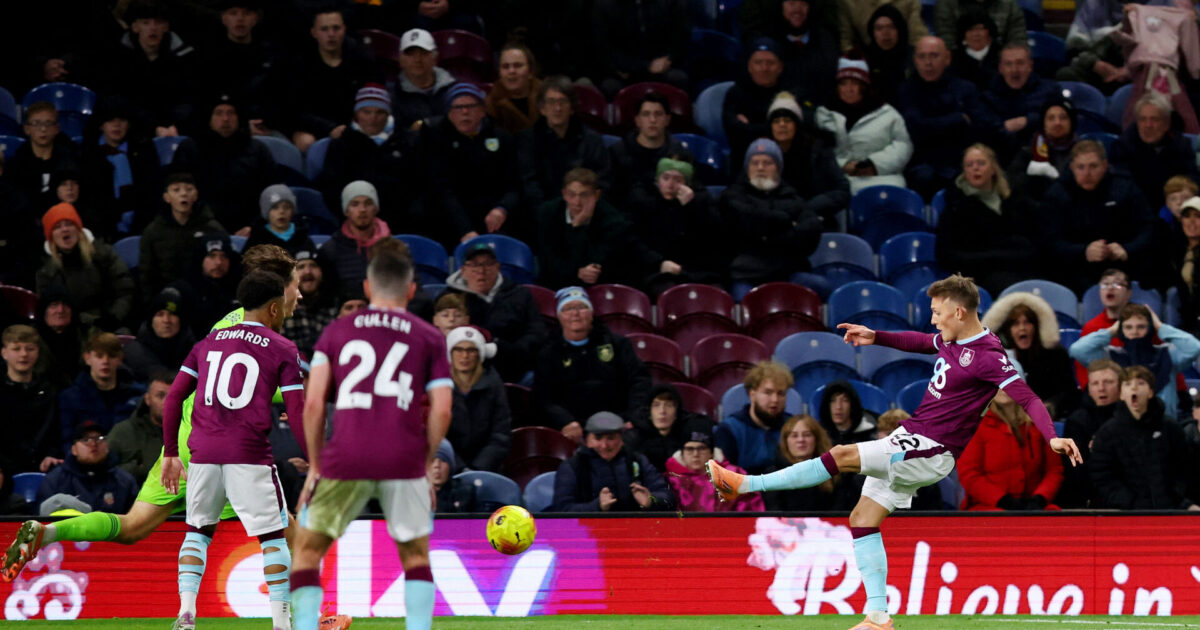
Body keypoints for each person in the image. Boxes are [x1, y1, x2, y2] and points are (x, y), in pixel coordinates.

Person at [707, 274, 1081, 630]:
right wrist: (876, 337)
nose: (933, 319)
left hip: (932, 449)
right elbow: (919, 342)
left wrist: (1051, 437)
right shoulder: (951, 340)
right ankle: (878, 617)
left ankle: (744, 485)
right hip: (912, 438)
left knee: (841, 455)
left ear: (959, 312)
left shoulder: (988, 355)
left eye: (937, 312)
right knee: (862, 519)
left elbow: (1028, 398)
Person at [289, 251, 452, 630]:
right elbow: (443, 410)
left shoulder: (337, 331)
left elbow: (313, 404)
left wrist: (315, 466)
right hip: (404, 459)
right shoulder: (429, 336)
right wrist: (424, 463)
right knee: (415, 557)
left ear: (367, 287)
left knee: (308, 551)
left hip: (346, 456)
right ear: (411, 290)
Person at [159, 270, 306, 630]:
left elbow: (173, 397)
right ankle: (282, 623)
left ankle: (186, 614)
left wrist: (170, 453)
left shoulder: (207, 343)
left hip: (203, 454)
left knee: (197, 532)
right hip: (249, 454)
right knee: (273, 538)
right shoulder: (283, 348)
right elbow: (299, 412)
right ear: (274, 308)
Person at [532, 287, 652, 442]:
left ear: (591, 313)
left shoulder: (618, 344)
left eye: (581, 307)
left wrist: (631, 417)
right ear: (559, 316)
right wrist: (565, 421)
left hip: (618, 423)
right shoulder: (548, 352)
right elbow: (542, 397)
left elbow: (639, 381)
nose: (575, 313)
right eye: (568, 308)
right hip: (573, 428)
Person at [1040, 140, 1156, 294]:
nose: (1087, 173)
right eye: (1081, 167)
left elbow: (1148, 227)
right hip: (1074, 269)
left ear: (1105, 165)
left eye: (1093, 166)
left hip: (1123, 266)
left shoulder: (1125, 188)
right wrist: (1083, 251)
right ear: (1072, 167)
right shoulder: (1057, 194)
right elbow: (1049, 241)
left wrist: (1127, 249)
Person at [719, 138, 824, 297]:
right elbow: (745, 221)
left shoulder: (793, 197)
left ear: (778, 168)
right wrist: (787, 224)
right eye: (755, 163)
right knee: (744, 299)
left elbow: (812, 228)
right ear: (747, 168)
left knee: (821, 286)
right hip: (746, 274)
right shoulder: (732, 196)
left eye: (767, 163)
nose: (760, 168)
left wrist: (765, 236)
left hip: (789, 272)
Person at [898, 36, 998, 199]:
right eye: (922, 57)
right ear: (915, 60)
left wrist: (933, 126)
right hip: (923, 162)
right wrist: (958, 119)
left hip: (961, 160)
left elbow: (981, 127)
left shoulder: (966, 89)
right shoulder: (906, 91)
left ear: (947, 58)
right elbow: (916, 129)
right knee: (924, 177)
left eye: (934, 56)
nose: (928, 63)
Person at [422, 83, 521, 245]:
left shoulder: (503, 138)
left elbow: (514, 184)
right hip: (452, 222)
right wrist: (465, 229)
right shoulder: (436, 141)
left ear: (483, 111)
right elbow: (442, 190)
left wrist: (502, 208)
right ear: (449, 114)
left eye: (471, 106)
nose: (465, 112)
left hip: (496, 218)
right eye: (457, 107)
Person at [1089, 365, 1198, 510]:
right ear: (1121, 394)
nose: (1134, 388)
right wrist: (1129, 502)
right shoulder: (1107, 433)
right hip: (1125, 512)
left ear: (1150, 392)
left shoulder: (1170, 428)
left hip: (1168, 508)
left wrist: (1174, 497)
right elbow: (1102, 476)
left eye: (1140, 383)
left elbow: (1183, 468)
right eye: (1128, 384)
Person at [1069, 302, 1200, 419]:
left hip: (1164, 426)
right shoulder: (1111, 357)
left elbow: (1194, 347)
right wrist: (1111, 331)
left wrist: (1160, 326)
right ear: (1121, 329)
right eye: (1128, 327)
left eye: (1141, 326)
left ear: (1150, 328)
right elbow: (1077, 350)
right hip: (1122, 426)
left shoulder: (1166, 354)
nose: (1135, 332)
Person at [316, 85, 424, 227]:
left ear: (388, 114)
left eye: (380, 112)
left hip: (403, 221)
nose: (373, 118)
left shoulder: (408, 142)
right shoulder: (342, 144)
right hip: (355, 223)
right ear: (356, 114)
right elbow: (331, 188)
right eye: (366, 112)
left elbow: (419, 183)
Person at [936, 144, 1037, 296]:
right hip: (978, 276)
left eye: (981, 163)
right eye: (969, 165)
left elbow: (1030, 242)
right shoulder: (955, 207)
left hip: (1019, 269)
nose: (975, 168)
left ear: (993, 168)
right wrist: (996, 257)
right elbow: (946, 255)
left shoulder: (1013, 201)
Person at [169, 94, 277, 232]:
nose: (225, 119)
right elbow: (178, 194)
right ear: (209, 118)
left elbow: (271, 193)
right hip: (199, 228)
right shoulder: (189, 149)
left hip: (249, 229)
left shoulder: (258, 150)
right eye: (219, 113)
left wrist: (254, 227)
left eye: (231, 113)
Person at [441, 242, 547, 382]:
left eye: (488, 264)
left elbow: (537, 333)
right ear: (463, 270)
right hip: (461, 370)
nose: (481, 271)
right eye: (474, 265)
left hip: (511, 366)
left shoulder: (520, 294)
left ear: (498, 267)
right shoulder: (449, 298)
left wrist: (507, 350)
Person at [624, 157, 726, 293]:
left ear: (687, 184)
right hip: (654, 270)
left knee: (716, 294)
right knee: (672, 294)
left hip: (695, 271)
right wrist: (659, 262)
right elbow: (632, 240)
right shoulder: (641, 200)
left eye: (678, 180)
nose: (670, 185)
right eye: (665, 178)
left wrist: (691, 207)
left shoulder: (701, 203)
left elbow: (712, 241)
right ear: (657, 180)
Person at [286, 7, 379, 152]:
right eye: (324, 29)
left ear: (344, 29)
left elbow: (374, 97)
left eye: (336, 28)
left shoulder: (361, 60)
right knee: (305, 141)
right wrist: (330, 128)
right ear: (314, 33)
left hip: (355, 124)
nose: (331, 34)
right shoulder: (300, 63)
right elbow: (295, 110)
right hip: (315, 126)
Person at [815, 58, 914, 194]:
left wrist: (874, 164)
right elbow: (819, 152)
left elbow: (903, 145)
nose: (849, 89)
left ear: (864, 86)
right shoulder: (824, 114)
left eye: (854, 83)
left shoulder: (887, 113)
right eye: (843, 84)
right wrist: (842, 165)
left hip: (884, 177)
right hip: (838, 180)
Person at [535, 168, 643, 289]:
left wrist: (579, 227)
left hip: (597, 285)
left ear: (596, 195)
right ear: (564, 194)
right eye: (571, 195)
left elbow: (600, 262)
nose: (577, 202)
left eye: (584, 195)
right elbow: (547, 260)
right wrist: (576, 272)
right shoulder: (548, 213)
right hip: (555, 283)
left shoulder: (612, 221)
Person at [517, 76, 613, 210]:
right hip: (543, 212)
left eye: (563, 101)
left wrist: (582, 209)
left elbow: (601, 182)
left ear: (572, 108)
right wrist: (550, 213)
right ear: (542, 108)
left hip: (585, 211)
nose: (557, 108)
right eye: (551, 102)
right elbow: (530, 184)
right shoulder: (528, 140)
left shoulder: (592, 140)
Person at [958, 389, 1064, 510]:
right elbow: (969, 475)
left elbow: (1054, 470)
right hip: (990, 506)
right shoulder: (974, 425)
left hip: (1034, 506)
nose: (1003, 388)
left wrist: (1040, 498)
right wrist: (1003, 501)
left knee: (1054, 515)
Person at [35, 203, 134, 330]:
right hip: (71, 328)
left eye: (69, 224)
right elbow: (49, 309)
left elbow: (125, 290)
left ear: (79, 230)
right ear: (51, 236)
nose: (64, 229)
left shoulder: (103, 254)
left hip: (111, 322)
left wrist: (114, 318)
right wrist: (88, 323)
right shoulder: (46, 271)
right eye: (57, 227)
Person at [982, 291, 1081, 418]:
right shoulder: (997, 357)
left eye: (1027, 322)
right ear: (1008, 331)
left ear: (1036, 327)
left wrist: (1050, 405)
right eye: (1016, 324)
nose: (1022, 328)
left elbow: (1069, 392)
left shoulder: (1056, 354)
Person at [550, 411, 674, 511]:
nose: (604, 445)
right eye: (598, 438)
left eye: (611, 438)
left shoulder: (637, 461)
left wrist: (651, 500)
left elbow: (667, 497)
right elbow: (562, 509)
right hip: (588, 530)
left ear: (621, 440)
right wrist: (596, 506)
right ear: (587, 440)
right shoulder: (572, 466)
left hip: (633, 528)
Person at [105, 0, 196, 134]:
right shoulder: (120, 58)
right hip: (134, 127)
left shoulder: (183, 57)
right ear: (135, 27)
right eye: (146, 23)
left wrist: (175, 127)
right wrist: (152, 127)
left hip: (173, 128)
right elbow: (118, 99)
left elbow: (188, 98)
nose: (152, 28)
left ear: (166, 27)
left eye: (158, 22)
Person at [767, 92, 851, 228]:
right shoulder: (762, 154)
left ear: (797, 124)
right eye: (776, 121)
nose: (782, 125)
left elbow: (842, 191)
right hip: (777, 221)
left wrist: (808, 207)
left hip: (816, 218)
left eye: (787, 120)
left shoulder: (818, 151)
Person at [139, 173, 226, 300]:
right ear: (166, 197)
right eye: (176, 190)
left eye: (189, 189)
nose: (184, 194)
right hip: (168, 296)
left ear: (196, 195)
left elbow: (226, 266)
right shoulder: (153, 231)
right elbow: (146, 275)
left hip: (206, 295)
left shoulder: (212, 228)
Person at [1108, 92, 1199, 209]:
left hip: (1174, 208)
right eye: (1142, 119)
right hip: (1136, 208)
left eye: (1154, 119)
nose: (1148, 125)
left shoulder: (1181, 145)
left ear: (1167, 123)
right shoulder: (1123, 146)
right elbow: (1122, 187)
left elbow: (1191, 180)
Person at [57, 332, 142, 453]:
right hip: (87, 459)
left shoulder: (137, 395)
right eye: (99, 356)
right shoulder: (70, 397)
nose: (105, 361)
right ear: (87, 358)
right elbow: (67, 440)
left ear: (120, 358)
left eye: (111, 356)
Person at [0, 325, 62, 489]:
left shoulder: (49, 391)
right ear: (4, 353)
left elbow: (56, 431)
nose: (23, 354)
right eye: (16, 348)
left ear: (37, 352)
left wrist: (51, 455)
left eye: (29, 348)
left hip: (44, 468)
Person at [445, 326, 512, 472]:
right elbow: (435, 436)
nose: (465, 356)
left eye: (471, 350)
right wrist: (460, 468)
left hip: (486, 468)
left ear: (480, 354)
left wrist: (477, 468)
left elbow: (500, 434)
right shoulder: (438, 385)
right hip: (446, 467)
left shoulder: (494, 384)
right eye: (458, 349)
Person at [591, 0, 690, 97]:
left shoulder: (671, 3)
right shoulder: (604, 5)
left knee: (678, 78)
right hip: (623, 70)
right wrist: (644, 66)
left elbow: (680, 39)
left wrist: (669, 59)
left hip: (660, 67)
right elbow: (603, 49)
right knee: (610, 87)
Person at [1057, 358, 1122, 508]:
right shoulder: (1077, 421)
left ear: (1120, 385)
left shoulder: (1131, 418)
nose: (1101, 388)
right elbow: (1076, 471)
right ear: (1089, 388)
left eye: (1108, 382)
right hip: (1091, 498)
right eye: (1095, 383)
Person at [36, 421, 138, 516]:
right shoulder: (55, 480)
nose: (93, 444)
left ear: (107, 446)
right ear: (74, 449)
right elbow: (41, 519)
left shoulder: (124, 481)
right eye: (86, 440)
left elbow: (136, 519)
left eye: (99, 438)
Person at [667, 418, 764, 512]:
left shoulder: (735, 476)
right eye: (689, 449)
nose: (695, 454)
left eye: (702, 448)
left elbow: (751, 510)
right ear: (682, 453)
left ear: (712, 452)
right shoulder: (671, 481)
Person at [715, 361, 794, 475]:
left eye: (781, 393)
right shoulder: (729, 429)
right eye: (768, 392)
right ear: (752, 394)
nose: (775, 400)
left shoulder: (793, 426)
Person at [608, 92, 690, 202]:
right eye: (646, 114)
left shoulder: (681, 153)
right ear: (637, 120)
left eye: (658, 114)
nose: (653, 120)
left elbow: (698, 192)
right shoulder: (617, 152)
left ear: (667, 120)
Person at [983, 43, 1058, 159]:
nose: (1014, 70)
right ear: (1000, 68)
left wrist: (1027, 121)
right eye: (1008, 64)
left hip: (1047, 154)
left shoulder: (1050, 90)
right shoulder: (989, 97)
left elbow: (1061, 120)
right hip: (1003, 158)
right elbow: (988, 130)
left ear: (1030, 66)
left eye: (1020, 63)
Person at [5, 102, 81, 212]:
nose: (43, 129)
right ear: (27, 129)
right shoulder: (16, 166)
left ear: (57, 128)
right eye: (36, 123)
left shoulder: (73, 162)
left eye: (48, 123)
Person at [723, 38, 787, 164]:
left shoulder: (788, 93)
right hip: (743, 157)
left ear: (780, 67)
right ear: (749, 67)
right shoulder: (735, 92)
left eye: (770, 63)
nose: (764, 68)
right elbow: (734, 131)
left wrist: (748, 127)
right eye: (758, 62)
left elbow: (793, 131)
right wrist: (773, 128)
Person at [319, 181, 392, 289]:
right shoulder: (330, 251)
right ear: (346, 211)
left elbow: (412, 287)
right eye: (355, 204)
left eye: (368, 203)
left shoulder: (394, 248)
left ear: (375, 209)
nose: (362, 210)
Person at [1005, 94, 1078, 199]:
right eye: (1051, 118)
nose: (1057, 123)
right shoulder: (1028, 152)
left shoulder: (1083, 151)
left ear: (1072, 122)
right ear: (1043, 123)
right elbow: (1013, 181)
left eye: (1063, 118)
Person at [761, 414, 838, 511]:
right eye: (794, 436)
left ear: (817, 439)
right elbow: (774, 512)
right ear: (786, 441)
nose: (801, 440)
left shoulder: (832, 471)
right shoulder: (772, 475)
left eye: (807, 435)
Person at [108, 368, 171, 484]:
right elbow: (104, 473)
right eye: (160, 396)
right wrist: (136, 470)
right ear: (147, 399)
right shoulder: (123, 432)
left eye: (174, 396)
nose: (168, 402)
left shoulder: (193, 432)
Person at [123, 287, 196, 382]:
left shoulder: (196, 350)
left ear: (181, 320)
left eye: (172, 314)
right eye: (160, 314)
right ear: (151, 321)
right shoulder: (135, 350)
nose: (166, 320)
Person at [392, 29, 459, 129]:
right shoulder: (393, 95)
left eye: (424, 53)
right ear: (401, 59)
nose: (417, 59)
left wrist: (425, 124)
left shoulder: (454, 89)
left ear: (435, 57)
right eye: (411, 54)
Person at [180, 233, 243, 336]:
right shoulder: (185, 289)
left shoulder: (242, 288)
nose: (219, 262)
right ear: (201, 259)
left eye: (224, 256)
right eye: (212, 255)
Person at [282, 249, 340, 359]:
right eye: (301, 267)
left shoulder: (336, 307)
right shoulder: (282, 310)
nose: (308, 271)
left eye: (313, 266)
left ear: (322, 272)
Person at [624, 383, 694, 473]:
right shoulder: (634, 438)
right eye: (656, 405)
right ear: (649, 412)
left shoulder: (688, 436)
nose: (662, 411)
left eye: (669, 405)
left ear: (677, 412)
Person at [33, 286, 86, 389]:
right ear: (44, 311)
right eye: (54, 305)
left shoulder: (86, 335)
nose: (61, 310)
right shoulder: (30, 339)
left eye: (66, 305)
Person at [244, 184, 316, 259]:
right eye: (275, 207)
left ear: (292, 211)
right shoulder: (256, 239)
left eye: (286, 207)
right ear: (266, 212)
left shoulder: (303, 237)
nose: (281, 212)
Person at [485, 42, 542, 133]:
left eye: (518, 65)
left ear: (530, 72)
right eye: (505, 67)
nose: (511, 71)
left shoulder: (546, 97)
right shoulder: (490, 105)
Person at [862, 5, 913, 104]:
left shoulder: (914, 57)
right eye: (879, 28)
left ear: (900, 29)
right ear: (872, 32)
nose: (885, 33)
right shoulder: (865, 59)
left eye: (891, 27)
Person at [934, 0, 1026, 51]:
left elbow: (1018, 45)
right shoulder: (947, 4)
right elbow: (947, 47)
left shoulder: (1009, 5)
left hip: (1000, 70)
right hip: (958, 69)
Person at [840, 0, 928, 53]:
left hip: (902, 58)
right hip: (865, 60)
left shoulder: (909, 2)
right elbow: (845, 40)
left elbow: (917, 37)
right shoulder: (847, 3)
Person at [949, 10, 1001, 90]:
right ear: (963, 35)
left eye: (980, 28)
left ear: (989, 32)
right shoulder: (954, 58)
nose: (976, 34)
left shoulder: (1001, 55)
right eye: (970, 29)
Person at [818, 380, 878, 445]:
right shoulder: (819, 434)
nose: (838, 407)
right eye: (832, 400)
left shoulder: (871, 433)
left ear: (852, 405)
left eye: (845, 400)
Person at [428, 439, 478, 513]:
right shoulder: (415, 493)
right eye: (432, 461)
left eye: (443, 460)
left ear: (451, 465)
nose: (437, 465)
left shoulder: (464, 493)